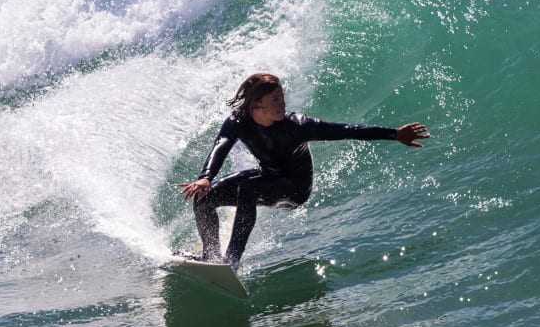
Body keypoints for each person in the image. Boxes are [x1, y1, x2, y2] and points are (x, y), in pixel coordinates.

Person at [177, 73, 430, 267]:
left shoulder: (298, 125)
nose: (282, 103)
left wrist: (394, 134)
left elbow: (346, 130)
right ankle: (211, 258)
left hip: (296, 188)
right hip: (269, 176)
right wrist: (205, 178)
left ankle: (231, 262)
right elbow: (220, 146)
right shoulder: (238, 123)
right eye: (276, 99)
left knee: (248, 189)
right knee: (204, 197)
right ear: (257, 104)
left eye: (282, 97)